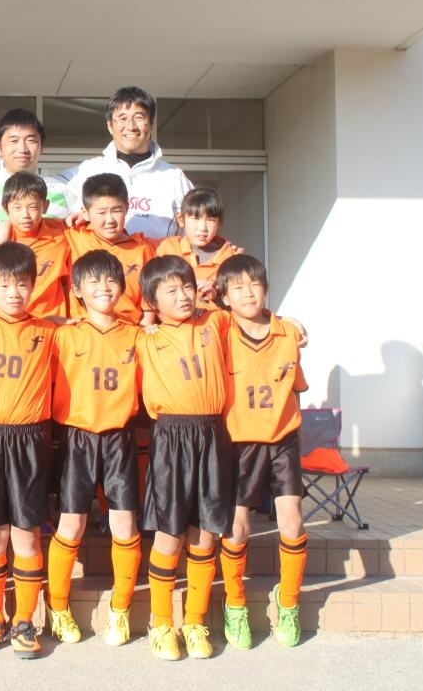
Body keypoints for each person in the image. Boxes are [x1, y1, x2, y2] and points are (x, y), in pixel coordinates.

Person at [0, 243, 58, 659]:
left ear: (34, 286)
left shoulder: (49, 330)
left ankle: (24, 621)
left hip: (30, 440)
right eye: (4, 285)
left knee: (27, 534)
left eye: (22, 284)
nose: (14, 293)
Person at [137, 255, 233, 661]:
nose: (183, 297)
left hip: (212, 434)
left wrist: (292, 324)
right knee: (170, 532)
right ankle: (161, 623)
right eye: (171, 291)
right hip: (171, 437)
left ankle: (194, 621)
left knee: (206, 532)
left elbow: (254, 317)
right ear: (152, 302)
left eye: (188, 287)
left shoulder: (215, 323)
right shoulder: (144, 338)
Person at [45, 250, 143, 648]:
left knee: (125, 525)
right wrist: (52, 320)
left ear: (122, 287)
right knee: (71, 525)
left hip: (119, 438)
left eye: (111, 280)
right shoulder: (63, 334)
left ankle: (120, 609)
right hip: (77, 438)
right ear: (77, 291)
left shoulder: (137, 335)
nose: (104, 287)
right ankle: (58, 608)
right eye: (94, 281)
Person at [214, 254, 308, 650]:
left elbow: (296, 388)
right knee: (237, 529)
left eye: (254, 285)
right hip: (239, 442)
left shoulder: (288, 333)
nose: (248, 293)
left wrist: (291, 322)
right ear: (224, 297)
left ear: (266, 289)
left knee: (293, 524)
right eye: (237, 288)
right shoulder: (219, 330)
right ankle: (235, 604)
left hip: (282, 439)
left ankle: (289, 602)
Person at [0, 87, 193, 240]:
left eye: (139, 117)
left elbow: (194, 229)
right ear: (110, 126)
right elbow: (30, 176)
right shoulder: (87, 171)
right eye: (122, 118)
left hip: (157, 280)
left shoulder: (174, 178)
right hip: (102, 280)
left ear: (151, 123)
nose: (131, 126)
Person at [64, 173, 157, 326]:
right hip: (83, 331)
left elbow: (148, 303)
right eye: (101, 212)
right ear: (85, 212)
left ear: (127, 207)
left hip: (128, 331)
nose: (110, 220)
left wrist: (143, 330)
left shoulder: (141, 249)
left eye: (116, 211)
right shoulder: (73, 237)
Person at [0, 108, 72, 230]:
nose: (22, 149)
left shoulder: (61, 191)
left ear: (41, 146)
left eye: (31, 140)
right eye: (14, 141)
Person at [0, 172, 71, 319]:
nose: (25, 215)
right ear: (5, 209)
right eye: (17, 208)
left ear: (45, 206)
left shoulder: (61, 232)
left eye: (32, 207)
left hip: (51, 321)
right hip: (11, 322)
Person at [155, 187, 240, 308]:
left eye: (211, 220)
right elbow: (154, 287)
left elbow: (238, 302)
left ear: (219, 224)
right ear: (181, 219)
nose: (202, 228)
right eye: (195, 218)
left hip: (214, 318)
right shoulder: (169, 249)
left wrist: (215, 295)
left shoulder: (231, 257)